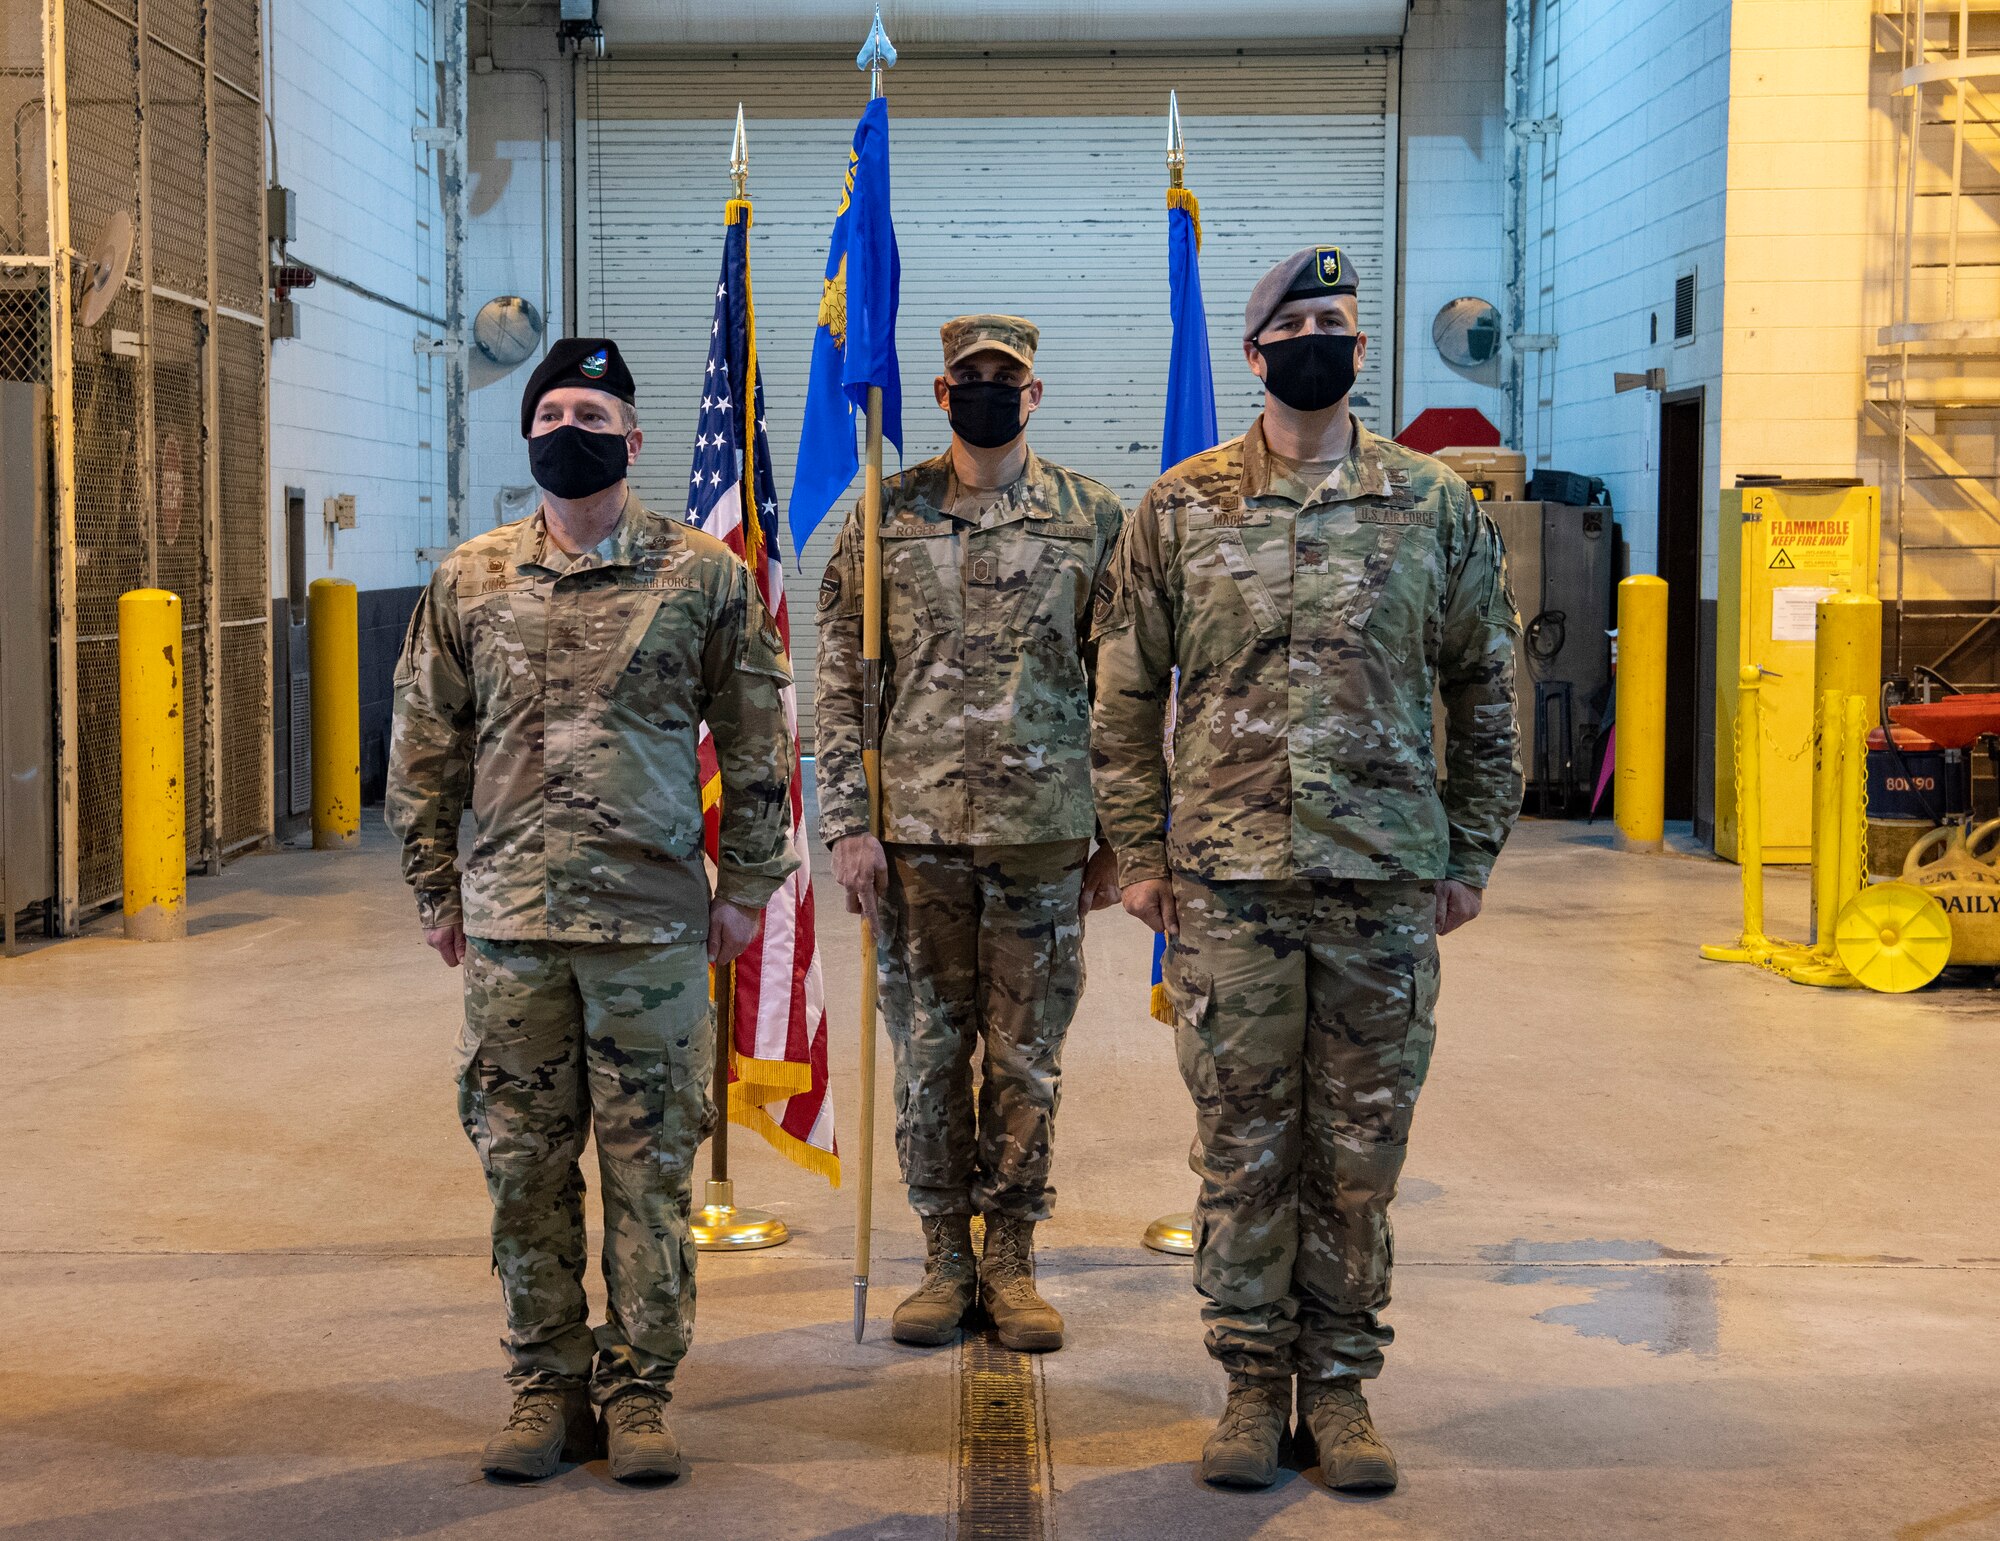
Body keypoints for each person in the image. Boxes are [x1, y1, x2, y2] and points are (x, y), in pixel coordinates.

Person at [1090, 248, 1522, 1492]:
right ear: (1253, 353)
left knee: (1358, 1148)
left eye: (1337, 321)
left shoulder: (1432, 504)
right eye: (1296, 324)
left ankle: (1336, 1387)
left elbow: (1484, 687)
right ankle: (1242, 1383)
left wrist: (1470, 847)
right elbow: (1120, 702)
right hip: (1229, 882)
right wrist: (1137, 854)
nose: (1318, 339)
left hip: (1384, 879)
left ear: (1361, 350)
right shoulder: (1176, 508)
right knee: (1239, 1142)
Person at [386, 337, 797, 1484]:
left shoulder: (702, 575)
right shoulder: (468, 578)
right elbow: (424, 745)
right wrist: (435, 885)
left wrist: (750, 887)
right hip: (513, 927)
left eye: (595, 410)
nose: (573, 425)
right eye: (553, 408)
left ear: (632, 437)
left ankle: (640, 1390)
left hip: (653, 930)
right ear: (527, 434)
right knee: (522, 1167)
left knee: (651, 1168)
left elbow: (761, 742)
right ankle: (541, 1382)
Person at [816, 314, 1125, 1352]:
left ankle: (1012, 1258)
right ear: (940, 395)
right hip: (917, 839)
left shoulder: (1092, 516)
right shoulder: (884, 513)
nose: (988, 390)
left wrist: (1124, 832)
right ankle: (943, 1253)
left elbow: (1125, 686)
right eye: (968, 377)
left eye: (1008, 377)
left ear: (1034, 393)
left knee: (1027, 1059)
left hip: (1043, 835)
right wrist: (849, 825)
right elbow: (841, 680)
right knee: (929, 1056)